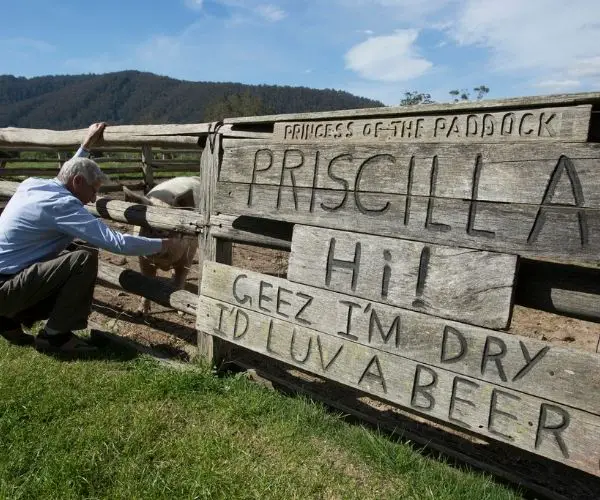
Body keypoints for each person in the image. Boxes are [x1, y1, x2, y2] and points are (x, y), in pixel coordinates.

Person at [0, 122, 183, 355]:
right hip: (5, 287)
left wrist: (85, 147)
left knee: (71, 249)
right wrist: (164, 244)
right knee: (83, 258)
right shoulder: (64, 205)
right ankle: (56, 337)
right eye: (93, 190)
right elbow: (117, 243)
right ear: (77, 182)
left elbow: (67, 173)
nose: (94, 198)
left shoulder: (32, 185)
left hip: (6, 279)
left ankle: (7, 320)